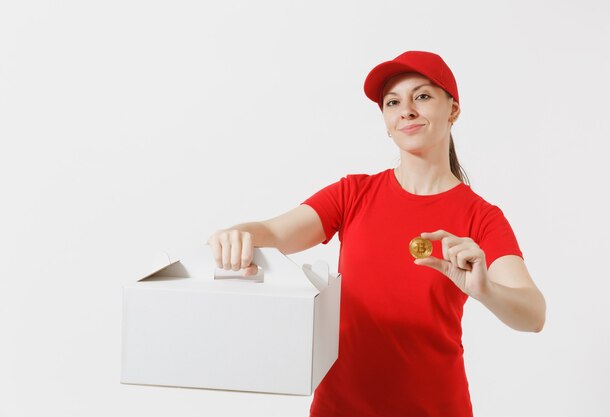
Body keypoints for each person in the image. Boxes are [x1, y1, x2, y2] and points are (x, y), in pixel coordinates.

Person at [208, 51, 546, 417]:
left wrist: (486, 290)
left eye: (422, 96)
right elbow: (274, 232)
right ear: (386, 122)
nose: (407, 111)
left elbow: (533, 314)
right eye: (393, 102)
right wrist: (236, 232)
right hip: (340, 408)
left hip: (435, 407)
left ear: (453, 110)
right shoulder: (353, 194)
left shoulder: (481, 218)